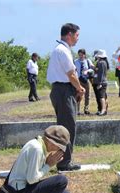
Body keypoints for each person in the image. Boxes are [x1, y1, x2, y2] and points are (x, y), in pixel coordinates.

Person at [9, 125, 71, 193]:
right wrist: (48, 165)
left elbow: (32, 177)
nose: (57, 150)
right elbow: (32, 179)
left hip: (21, 192)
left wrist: (46, 164)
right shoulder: (37, 149)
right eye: (59, 147)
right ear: (51, 142)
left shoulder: (36, 144)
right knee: (61, 180)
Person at [46, 23, 84, 171]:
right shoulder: (62, 50)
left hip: (61, 90)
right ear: (69, 34)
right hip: (63, 90)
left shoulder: (61, 49)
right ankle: (64, 162)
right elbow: (71, 74)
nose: (77, 38)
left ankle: (64, 160)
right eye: (76, 35)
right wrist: (80, 88)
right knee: (67, 127)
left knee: (66, 125)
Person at [74, 49, 94, 115]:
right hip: (79, 80)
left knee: (87, 95)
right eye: (79, 55)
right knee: (78, 94)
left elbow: (92, 68)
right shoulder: (75, 61)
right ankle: (77, 110)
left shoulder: (88, 61)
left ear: (84, 55)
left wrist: (88, 71)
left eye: (82, 55)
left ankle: (86, 109)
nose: (80, 56)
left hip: (86, 79)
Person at [92, 49, 109, 116]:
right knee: (102, 96)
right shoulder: (102, 62)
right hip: (98, 81)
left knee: (101, 97)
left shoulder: (101, 62)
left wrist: (100, 83)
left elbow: (101, 74)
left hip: (100, 82)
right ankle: (101, 109)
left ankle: (103, 110)